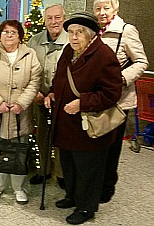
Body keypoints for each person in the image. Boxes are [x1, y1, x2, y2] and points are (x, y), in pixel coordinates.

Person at [44, 12, 122, 224]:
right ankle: (72, 196)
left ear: (90, 35)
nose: (74, 37)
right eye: (70, 32)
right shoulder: (69, 50)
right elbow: (59, 77)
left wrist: (83, 103)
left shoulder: (104, 56)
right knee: (69, 164)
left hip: (88, 127)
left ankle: (87, 208)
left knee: (88, 169)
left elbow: (111, 93)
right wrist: (52, 93)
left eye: (79, 32)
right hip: (66, 124)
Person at [93, 0, 149, 203]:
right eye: (98, 8)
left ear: (115, 9)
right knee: (96, 146)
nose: (102, 12)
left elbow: (141, 62)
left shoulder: (126, 30)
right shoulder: (93, 31)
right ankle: (94, 184)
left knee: (111, 147)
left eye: (106, 8)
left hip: (118, 101)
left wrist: (121, 79)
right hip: (97, 99)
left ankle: (107, 188)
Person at [0, 20, 42, 204]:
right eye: (5, 32)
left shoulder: (30, 54)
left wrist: (21, 103)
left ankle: (18, 188)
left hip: (20, 114)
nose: (9, 35)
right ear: (0, 35)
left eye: (13, 32)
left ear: (20, 35)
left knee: (19, 150)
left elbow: (35, 80)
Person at [27, 4, 68, 188]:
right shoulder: (34, 42)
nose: (54, 22)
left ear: (64, 18)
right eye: (50, 18)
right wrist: (34, 92)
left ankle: (61, 173)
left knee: (62, 138)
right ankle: (44, 170)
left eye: (57, 17)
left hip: (63, 100)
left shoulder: (71, 40)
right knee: (42, 136)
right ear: (44, 20)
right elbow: (27, 70)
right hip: (39, 98)